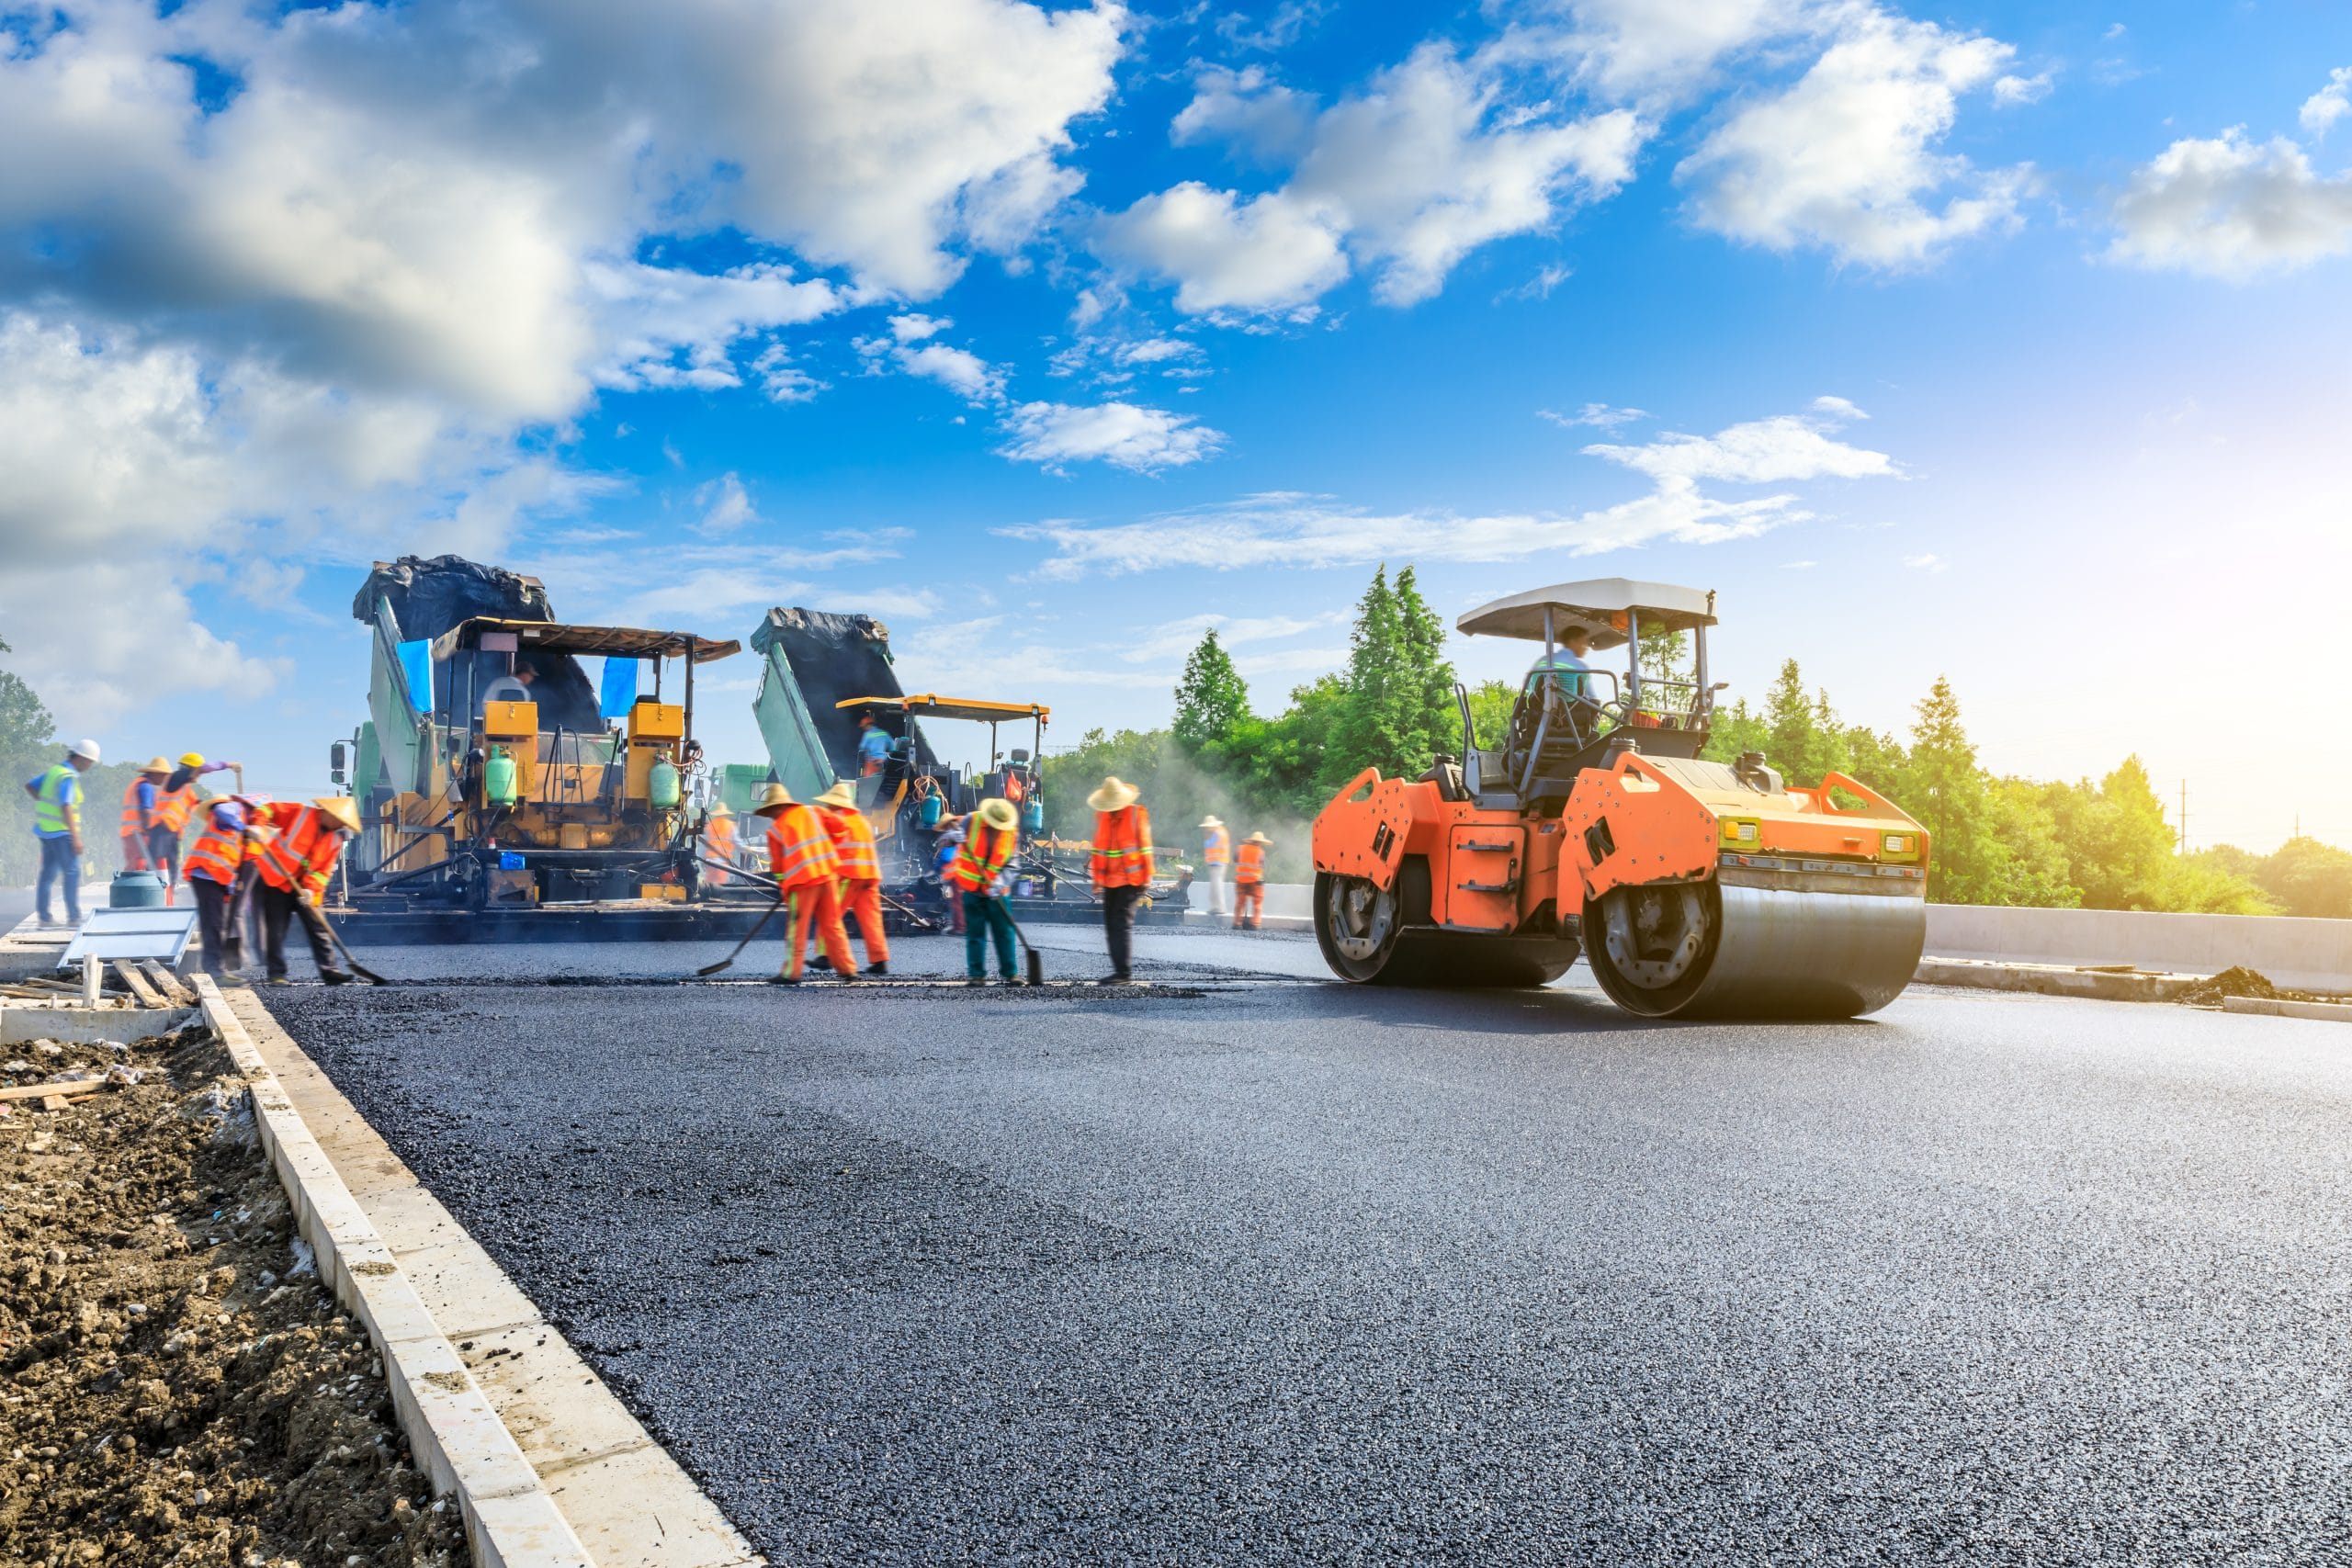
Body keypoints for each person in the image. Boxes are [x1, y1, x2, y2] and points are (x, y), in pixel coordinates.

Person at [751, 784, 857, 985]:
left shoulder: (776, 830)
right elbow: (842, 827)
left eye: (771, 811)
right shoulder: (814, 811)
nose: (771, 816)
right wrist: (830, 846)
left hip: (802, 883)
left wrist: (784, 888)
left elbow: (779, 867)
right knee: (833, 925)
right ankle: (847, 970)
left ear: (776, 807)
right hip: (828, 875)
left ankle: (791, 972)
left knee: (797, 928)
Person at [252, 796, 360, 985]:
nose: (340, 824)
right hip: (276, 880)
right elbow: (268, 809)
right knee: (276, 929)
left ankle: (330, 971)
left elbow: (323, 871)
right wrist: (257, 826)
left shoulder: (335, 838)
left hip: (305, 889)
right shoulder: (300, 813)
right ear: (328, 812)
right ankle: (276, 974)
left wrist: (310, 890)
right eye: (339, 819)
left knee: (318, 926)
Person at [813, 780, 889, 976]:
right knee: (871, 919)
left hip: (849, 875)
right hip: (870, 877)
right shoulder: (861, 821)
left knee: (829, 914)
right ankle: (879, 960)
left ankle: (824, 955)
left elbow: (825, 849)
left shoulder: (837, 820)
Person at [24, 739, 100, 929]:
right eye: (90, 762)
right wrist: (76, 837)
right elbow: (66, 805)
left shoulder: (54, 772)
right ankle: (74, 918)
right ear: (81, 758)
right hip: (62, 833)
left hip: (46, 831)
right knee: (72, 872)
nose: (89, 766)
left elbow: (31, 786)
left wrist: (43, 803)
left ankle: (44, 918)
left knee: (47, 875)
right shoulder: (67, 776)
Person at [945, 798, 1021, 985]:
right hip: (972, 890)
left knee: (1004, 933)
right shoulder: (971, 820)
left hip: (998, 893)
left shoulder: (1012, 832)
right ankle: (976, 975)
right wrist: (952, 837)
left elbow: (1013, 864)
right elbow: (947, 840)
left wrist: (999, 882)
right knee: (975, 933)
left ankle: (1011, 974)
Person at [183, 795, 261, 976]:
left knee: (219, 922)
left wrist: (232, 886)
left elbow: (230, 857)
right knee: (213, 923)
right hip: (206, 873)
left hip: (215, 877)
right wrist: (244, 827)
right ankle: (215, 970)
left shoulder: (240, 829)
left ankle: (221, 965)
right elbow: (221, 811)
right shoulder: (234, 810)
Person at [1087, 775, 1153, 985]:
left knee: (1120, 924)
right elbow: (1098, 850)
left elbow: (1145, 847)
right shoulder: (1103, 817)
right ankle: (1119, 972)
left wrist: (1147, 875)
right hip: (1109, 881)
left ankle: (1123, 973)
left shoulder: (1136, 814)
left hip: (1132, 880)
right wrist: (1097, 880)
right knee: (1110, 925)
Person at [151, 753, 238, 902]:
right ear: (191, 768)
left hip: (171, 834)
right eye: (197, 771)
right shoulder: (174, 778)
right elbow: (205, 768)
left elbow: (204, 807)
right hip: (161, 830)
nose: (199, 776)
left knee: (171, 870)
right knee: (159, 869)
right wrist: (228, 764)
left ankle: (167, 901)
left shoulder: (186, 790)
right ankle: (158, 900)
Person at [119, 757, 171, 874]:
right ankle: (137, 892)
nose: (165, 778)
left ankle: (128, 891)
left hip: (130, 833)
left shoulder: (139, 784)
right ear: (155, 773)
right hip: (138, 834)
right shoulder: (146, 786)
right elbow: (146, 811)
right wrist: (150, 831)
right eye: (164, 775)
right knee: (139, 868)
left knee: (133, 867)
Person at [933, 820, 967, 934]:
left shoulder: (950, 838)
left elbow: (946, 859)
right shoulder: (959, 836)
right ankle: (958, 926)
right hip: (960, 874)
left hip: (957, 875)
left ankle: (961, 927)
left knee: (958, 902)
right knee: (957, 901)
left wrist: (937, 868)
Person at [1233, 830, 1270, 931]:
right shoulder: (1260, 852)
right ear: (1260, 842)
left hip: (1241, 880)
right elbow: (1262, 865)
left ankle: (1237, 923)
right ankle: (1255, 924)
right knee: (1257, 903)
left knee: (1240, 903)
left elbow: (1235, 860)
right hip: (1255, 881)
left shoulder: (1240, 849)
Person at [1198, 816, 1231, 917]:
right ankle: (1215, 907)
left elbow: (1209, 844)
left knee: (1217, 886)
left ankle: (1219, 908)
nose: (1206, 829)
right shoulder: (1221, 831)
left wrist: (1206, 837)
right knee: (1215, 887)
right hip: (1217, 863)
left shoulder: (1216, 833)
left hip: (1218, 863)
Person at [701, 803, 738, 886]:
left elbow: (704, 845)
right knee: (720, 887)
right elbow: (737, 842)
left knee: (709, 885)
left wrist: (702, 860)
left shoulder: (710, 825)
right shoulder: (731, 825)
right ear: (725, 814)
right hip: (722, 862)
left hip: (711, 862)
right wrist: (748, 849)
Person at [856, 712, 892, 777]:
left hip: (872, 763)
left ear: (868, 725)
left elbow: (862, 747)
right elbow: (893, 747)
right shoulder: (884, 733)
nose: (864, 729)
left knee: (867, 782)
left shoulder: (868, 734)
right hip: (883, 762)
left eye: (864, 727)